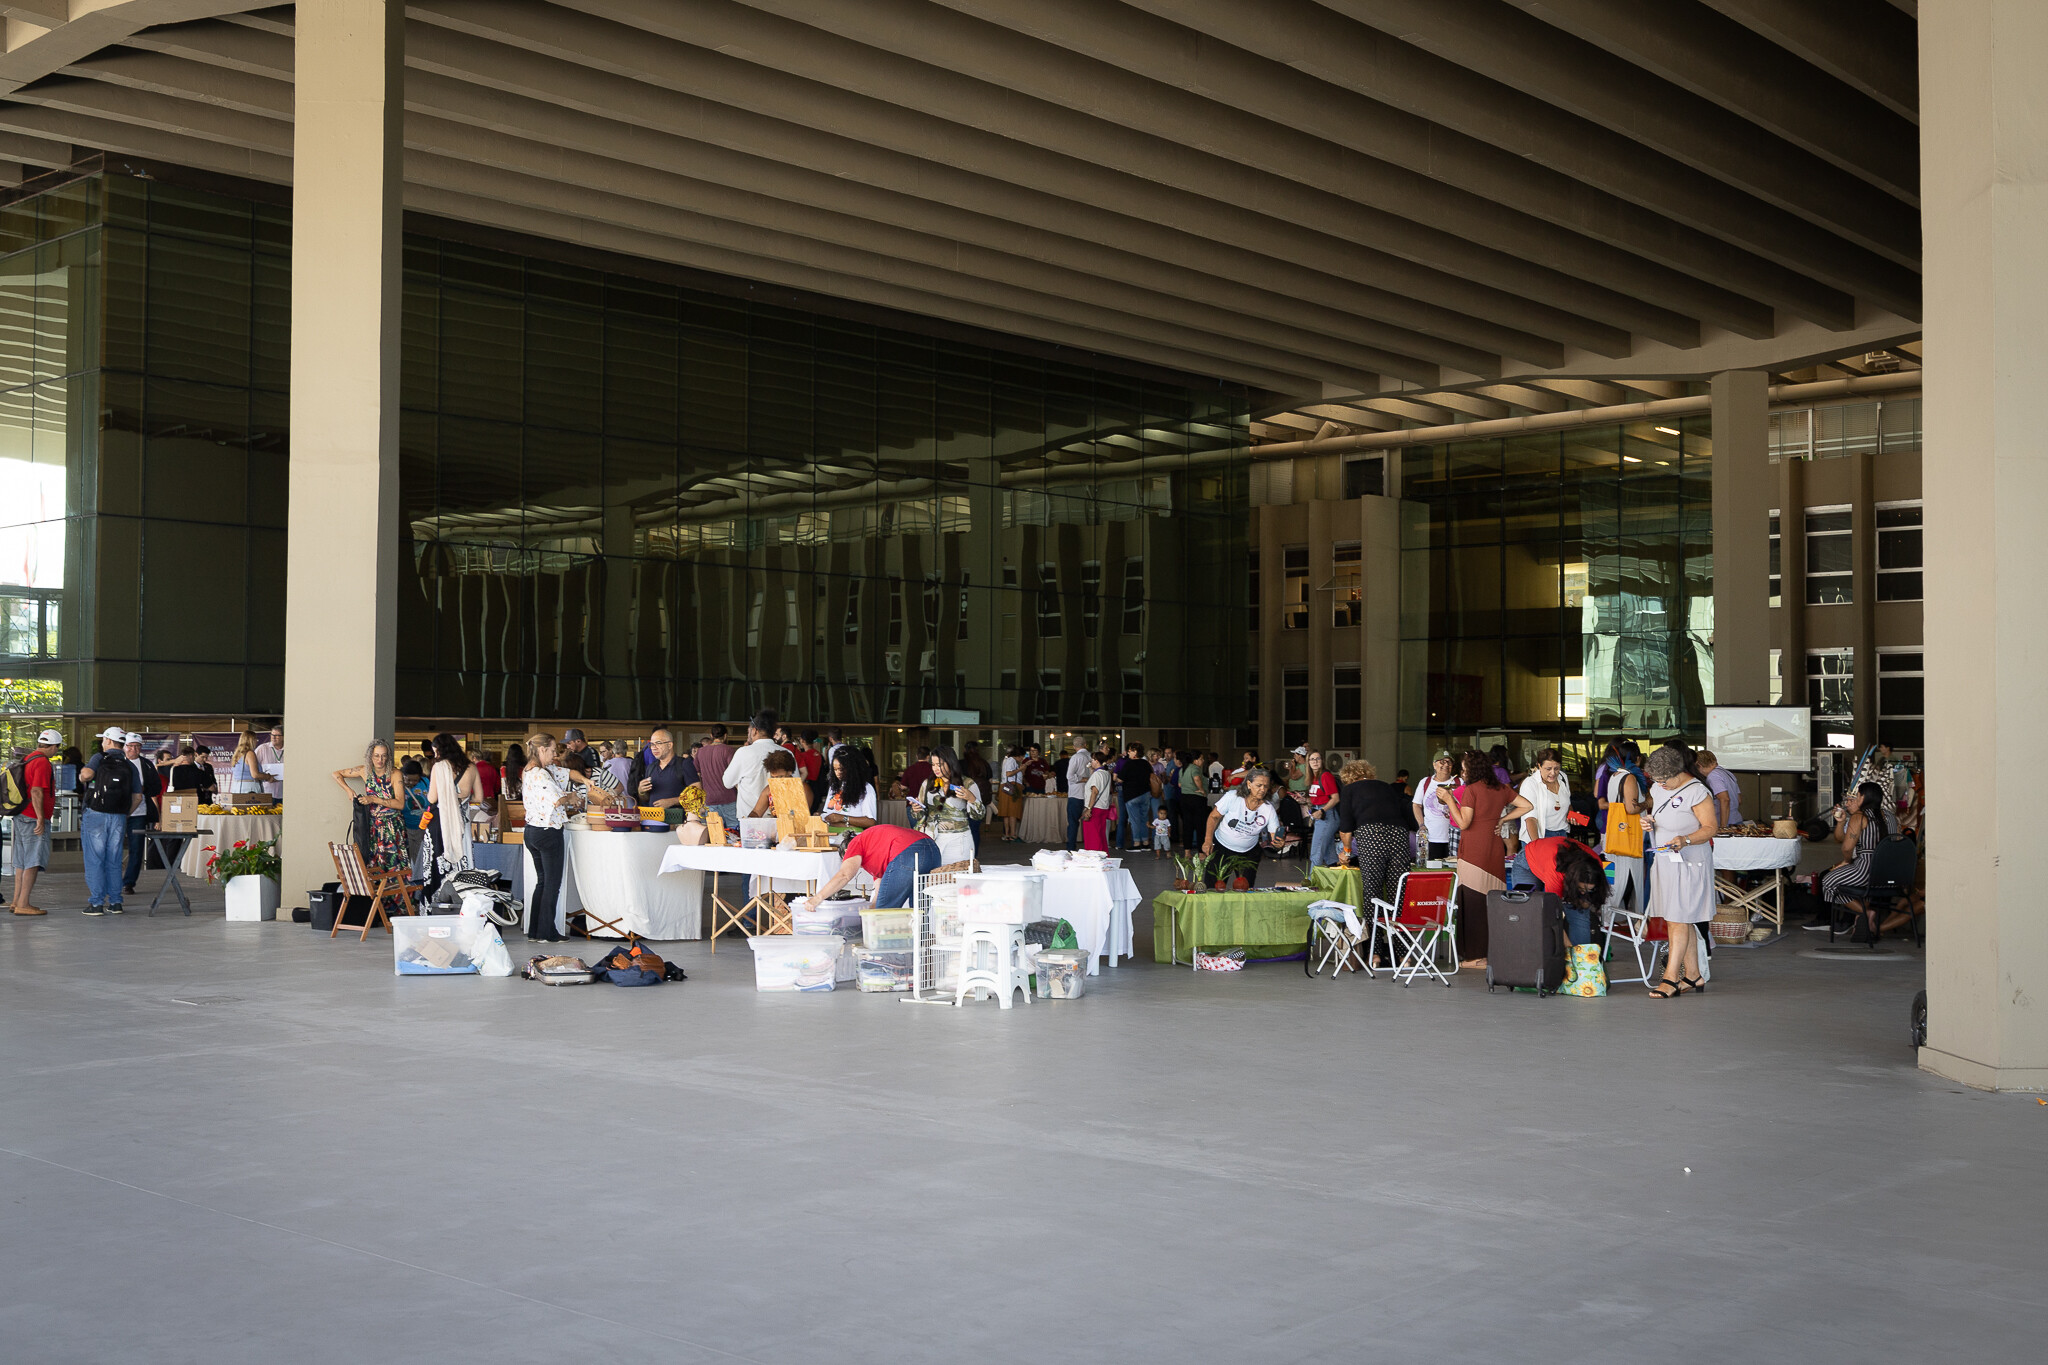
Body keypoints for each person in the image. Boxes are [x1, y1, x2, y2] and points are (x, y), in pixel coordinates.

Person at [1642, 743, 1719, 997]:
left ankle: (1671, 978)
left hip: (1690, 862)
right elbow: (1662, 817)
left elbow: (1710, 828)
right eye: (1656, 780)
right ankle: (1693, 976)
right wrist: (1649, 823)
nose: (1660, 785)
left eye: (1664, 780)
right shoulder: (1658, 788)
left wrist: (1686, 839)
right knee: (1678, 917)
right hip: (1665, 860)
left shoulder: (1698, 791)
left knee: (1678, 919)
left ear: (1679, 772)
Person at [1447, 749, 1531, 969]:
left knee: (1473, 901)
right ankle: (1493, 951)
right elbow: (1527, 806)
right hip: (1494, 848)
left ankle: (1476, 957)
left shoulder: (1471, 790)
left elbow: (1463, 823)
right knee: (1493, 901)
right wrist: (1502, 819)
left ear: (1471, 769)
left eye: (1463, 768)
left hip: (1474, 850)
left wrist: (1449, 800)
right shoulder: (1501, 788)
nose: (1462, 772)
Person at [520, 732, 580, 942]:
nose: (555, 755)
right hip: (548, 831)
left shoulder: (529, 770)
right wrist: (572, 797)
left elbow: (566, 773)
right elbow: (557, 799)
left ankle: (535, 930)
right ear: (542, 749)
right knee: (552, 884)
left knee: (542, 882)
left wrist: (585, 780)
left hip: (532, 831)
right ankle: (547, 932)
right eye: (553, 750)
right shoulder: (541, 774)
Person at [1334, 758, 1415, 905]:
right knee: (1398, 888)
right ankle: (1398, 919)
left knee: (1373, 888)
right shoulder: (1386, 786)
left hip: (1371, 835)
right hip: (1399, 835)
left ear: (1347, 777)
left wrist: (1346, 853)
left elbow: (1346, 829)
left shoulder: (1349, 790)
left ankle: (1374, 920)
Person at [810, 821, 942, 909]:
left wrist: (817, 898)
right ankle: (920, 942)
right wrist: (872, 908)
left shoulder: (855, 843)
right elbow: (881, 888)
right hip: (932, 850)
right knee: (919, 909)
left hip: (908, 852)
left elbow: (844, 875)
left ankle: (884, 945)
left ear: (846, 851)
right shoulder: (874, 850)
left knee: (885, 912)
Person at [1514, 833, 1612, 948]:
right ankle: (1531, 953)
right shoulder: (1556, 874)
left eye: (1589, 889)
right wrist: (1569, 947)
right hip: (1528, 860)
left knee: (1580, 912)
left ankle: (1581, 957)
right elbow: (1551, 915)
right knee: (1529, 910)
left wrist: (1585, 901)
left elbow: (1585, 903)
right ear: (1571, 881)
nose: (1583, 893)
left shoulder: (1595, 867)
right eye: (1580, 889)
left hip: (1553, 860)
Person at [1819, 781, 1890, 942]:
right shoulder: (1888, 816)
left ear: (1863, 797)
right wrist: (1842, 822)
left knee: (1828, 881)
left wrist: (1846, 861)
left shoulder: (1860, 816)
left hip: (1866, 868)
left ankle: (1865, 912)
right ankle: (1865, 919)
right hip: (1887, 873)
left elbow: (1846, 847)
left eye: (1857, 796)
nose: (1854, 800)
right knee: (1850, 883)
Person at [77, 726, 136, 915]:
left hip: (96, 814)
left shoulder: (99, 758)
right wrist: (125, 814)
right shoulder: (129, 765)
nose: (102, 743)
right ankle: (116, 902)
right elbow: (138, 797)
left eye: (103, 739)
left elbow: (87, 775)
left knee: (95, 859)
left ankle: (96, 903)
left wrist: (82, 774)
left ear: (109, 741)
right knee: (114, 860)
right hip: (119, 816)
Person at [332, 739, 409, 873]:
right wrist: (348, 790)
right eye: (376, 756)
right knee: (374, 864)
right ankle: (378, 887)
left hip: (392, 826)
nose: (380, 760)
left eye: (384, 756)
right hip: (372, 826)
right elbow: (336, 774)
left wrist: (373, 799)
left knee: (394, 865)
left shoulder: (395, 774)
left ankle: (395, 887)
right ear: (370, 756)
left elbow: (400, 803)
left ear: (388, 757)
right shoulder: (365, 771)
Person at [1199, 768, 1284, 889]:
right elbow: (1213, 817)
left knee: (1245, 889)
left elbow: (1274, 836)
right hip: (1222, 848)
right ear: (1249, 784)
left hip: (1249, 852)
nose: (1262, 789)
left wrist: (1278, 844)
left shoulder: (1268, 809)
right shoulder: (1233, 797)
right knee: (1213, 888)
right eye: (1259, 785)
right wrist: (1208, 840)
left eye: (1266, 786)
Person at [9, 727, 61, 915]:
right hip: (32, 818)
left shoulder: (28, 759)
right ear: (54, 747)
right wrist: (40, 817)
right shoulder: (42, 762)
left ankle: (16, 901)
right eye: (57, 748)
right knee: (32, 861)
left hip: (21, 814)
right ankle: (23, 904)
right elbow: (37, 791)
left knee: (21, 862)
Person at [1510, 748, 1571, 888]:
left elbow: (1567, 804)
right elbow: (1530, 819)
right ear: (1539, 766)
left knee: (1556, 887)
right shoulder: (1530, 784)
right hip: (1538, 837)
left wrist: (1571, 814)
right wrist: (1537, 846)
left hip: (1561, 837)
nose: (1553, 773)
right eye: (1548, 769)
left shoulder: (1563, 778)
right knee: (1533, 886)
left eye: (1556, 768)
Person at [1601, 740, 1649, 918]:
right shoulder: (1629, 778)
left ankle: (1607, 918)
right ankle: (1634, 918)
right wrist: (1648, 803)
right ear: (1637, 759)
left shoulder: (1614, 776)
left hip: (1615, 835)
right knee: (1628, 878)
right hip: (1629, 836)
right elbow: (1631, 808)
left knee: (1612, 878)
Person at [425, 732, 481, 880]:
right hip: (463, 820)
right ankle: (463, 886)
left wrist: (448, 797)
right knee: (463, 852)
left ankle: (441, 890)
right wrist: (461, 798)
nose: (435, 755)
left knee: (440, 860)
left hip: (442, 820)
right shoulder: (471, 767)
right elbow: (479, 797)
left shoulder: (439, 767)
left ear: (440, 750)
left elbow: (432, 798)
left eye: (436, 751)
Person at [118, 731, 163, 898]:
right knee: (113, 848)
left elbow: (157, 787)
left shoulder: (146, 764)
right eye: (130, 746)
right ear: (124, 747)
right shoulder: (117, 762)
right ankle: (112, 881)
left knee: (136, 849)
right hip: (117, 812)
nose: (134, 749)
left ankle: (129, 883)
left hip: (139, 812)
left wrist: (143, 790)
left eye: (137, 746)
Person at [724, 711, 787, 826]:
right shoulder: (786, 753)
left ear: (754, 731)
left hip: (749, 818)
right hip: (780, 819)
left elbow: (727, 782)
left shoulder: (743, 753)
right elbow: (794, 785)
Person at [629, 728, 698, 816]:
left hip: (677, 821)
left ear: (669, 745)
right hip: (653, 820)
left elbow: (697, 794)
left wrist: (672, 801)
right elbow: (646, 798)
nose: (654, 748)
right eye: (652, 744)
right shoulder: (651, 767)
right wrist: (641, 791)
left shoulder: (684, 764)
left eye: (658, 743)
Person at [1412, 752, 1457, 861]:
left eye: (1449, 762)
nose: (1446, 765)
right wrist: (1421, 824)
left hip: (1455, 837)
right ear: (1434, 764)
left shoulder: (1459, 782)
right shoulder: (1425, 782)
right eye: (1442, 762)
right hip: (1431, 837)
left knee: (1455, 868)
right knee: (1433, 867)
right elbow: (1416, 805)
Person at [1302, 749, 1341, 866]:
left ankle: (1312, 877)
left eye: (1317, 759)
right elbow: (1318, 798)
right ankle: (1333, 875)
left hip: (1327, 815)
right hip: (1319, 814)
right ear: (1308, 762)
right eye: (1312, 759)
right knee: (1329, 854)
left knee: (1316, 851)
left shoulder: (1325, 776)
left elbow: (1335, 798)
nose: (1315, 762)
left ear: (1322, 760)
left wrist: (1322, 810)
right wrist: (1304, 800)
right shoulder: (1313, 777)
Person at [824, 748, 878, 828]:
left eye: (841, 769)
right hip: (831, 833)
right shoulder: (834, 787)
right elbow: (828, 813)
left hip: (853, 834)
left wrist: (842, 818)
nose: (838, 773)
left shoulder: (866, 788)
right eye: (835, 769)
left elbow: (870, 821)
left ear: (852, 768)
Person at [1116, 742, 1153, 851]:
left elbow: (1120, 779)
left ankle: (1136, 843)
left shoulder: (1128, 764)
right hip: (1145, 793)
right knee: (1144, 818)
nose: (1128, 753)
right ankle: (1145, 843)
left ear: (1135, 752)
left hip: (1131, 795)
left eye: (1130, 751)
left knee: (1134, 820)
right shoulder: (1146, 763)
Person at [696, 727, 737, 826]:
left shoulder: (700, 751)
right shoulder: (729, 750)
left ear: (711, 735)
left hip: (709, 799)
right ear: (725, 736)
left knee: (714, 832)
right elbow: (735, 773)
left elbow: (697, 774)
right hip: (729, 798)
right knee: (734, 832)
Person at [747, 748, 800, 816]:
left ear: (790, 772)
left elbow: (802, 816)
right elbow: (756, 812)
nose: (776, 781)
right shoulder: (769, 790)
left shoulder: (802, 788)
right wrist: (750, 818)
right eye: (773, 777)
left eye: (780, 777)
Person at [1698, 749, 1741, 828]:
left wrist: (1723, 827)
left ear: (1699, 765)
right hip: (1736, 820)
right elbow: (1739, 800)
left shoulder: (1713, 776)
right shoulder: (1727, 773)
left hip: (1726, 824)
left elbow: (1725, 799)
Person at [1064, 743, 1092, 851]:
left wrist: (1082, 779)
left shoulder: (1076, 757)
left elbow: (1069, 776)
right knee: (1089, 822)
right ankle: (1090, 846)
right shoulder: (1091, 757)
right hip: (1089, 793)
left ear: (1074, 746)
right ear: (1085, 745)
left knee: (1073, 822)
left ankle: (1071, 847)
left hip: (1076, 794)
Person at [996, 745, 1024, 841]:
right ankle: (1013, 835)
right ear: (1018, 755)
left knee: (1006, 813)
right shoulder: (1011, 760)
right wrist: (1020, 769)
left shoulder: (1006, 760)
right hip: (1012, 787)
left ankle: (1007, 834)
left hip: (1005, 787)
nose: (1022, 758)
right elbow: (1008, 773)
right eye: (1022, 756)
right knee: (1013, 812)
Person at [227, 730, 265, 795]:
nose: (256, 741)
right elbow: (255, 774)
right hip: (249, 788)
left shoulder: (237, 754)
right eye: (255, 739)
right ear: (251, 741)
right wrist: (268, 776)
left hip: (236, 787)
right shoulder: (250, 753)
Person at [254, 722, 284, 801]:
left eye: (277, 735)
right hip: (267, 792)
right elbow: (253, 767)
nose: (273, 737)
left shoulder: (290, 749)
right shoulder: (262, 748)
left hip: (285, 793)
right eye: (272, 735)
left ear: (283, 737)